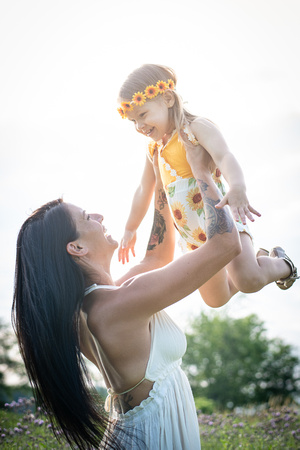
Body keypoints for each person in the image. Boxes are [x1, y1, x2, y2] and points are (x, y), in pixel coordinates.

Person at [13, 150, 241, 449]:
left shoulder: (99, 303)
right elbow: (225, 244)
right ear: (77, 248)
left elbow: (157, 256)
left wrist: (162, 178)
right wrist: (201, 170)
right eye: (86, 217)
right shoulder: (118, 304)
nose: (99, 216)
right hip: (153, 438)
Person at [117, 63, 299, 307]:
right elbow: (143, 189)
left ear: (168, 99)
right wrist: (130, 228)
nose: (139, 126)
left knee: (249, 280)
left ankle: (281, 264)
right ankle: (259, 260)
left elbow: (225, 156)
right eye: (132, 121)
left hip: (222, 219)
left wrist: (237, 187)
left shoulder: (195, 129)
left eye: (143, 115)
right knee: (216, 299)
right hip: (194, 238)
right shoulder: (154, 150)